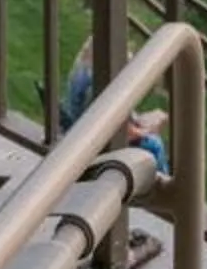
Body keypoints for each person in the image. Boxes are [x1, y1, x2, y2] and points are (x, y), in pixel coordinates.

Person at [58, 46, 169, 176]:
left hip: (77, 130)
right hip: (94, 146)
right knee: (155, 144)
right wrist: (149, 129)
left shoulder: (83, 69)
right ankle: (163, 190)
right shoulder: (100, 85)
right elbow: (119, 132)